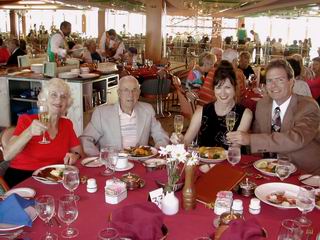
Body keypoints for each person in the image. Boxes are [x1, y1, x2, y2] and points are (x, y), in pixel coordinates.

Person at [227, 59, 320, 174]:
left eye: (280, 80)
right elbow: (258, 136)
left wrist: (249, 139)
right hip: (268, 170)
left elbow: (296, 138)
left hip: (304, 174)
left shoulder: (308, 106)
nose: (273, 85)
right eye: (269, 80)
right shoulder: (262, 104)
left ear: (291, 82)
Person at [3, 78, 84, 187]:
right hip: (22, 177)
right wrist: (29, 132)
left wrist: (75, 156)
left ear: (67, 103)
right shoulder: (26, 120)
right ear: (43, 99)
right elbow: (7, 155)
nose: (59, 100)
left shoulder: (67, 124)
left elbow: (81, 154)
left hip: (53, 178)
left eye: (63, 96)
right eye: (53, 95)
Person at [171, 60, 252, 149]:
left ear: (235, 88)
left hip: (231, 161)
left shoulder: (245, 114)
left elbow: (234, 148)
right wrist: (179, 141)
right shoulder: (201, 112)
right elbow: (185, 143)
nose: (223, 93)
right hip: (204, 162)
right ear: (213, 89)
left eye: (227, 87)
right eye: (218, 87)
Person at [80, 75, 169, 156]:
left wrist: (158, 151)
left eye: (134, 90)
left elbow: (161, 135)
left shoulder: (147, 110)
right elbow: (85, 139)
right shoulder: (101, 113)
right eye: (126, 90)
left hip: (140, 162)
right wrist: (98, 158)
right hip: (113, 164)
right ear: (119, 93)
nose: (130, 95)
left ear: (139, 93)